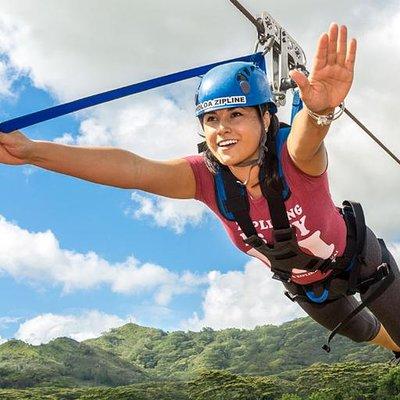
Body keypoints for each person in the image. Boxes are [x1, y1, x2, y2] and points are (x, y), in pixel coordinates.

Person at [0, 23, 399, 358]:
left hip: (362, 262)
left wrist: (318, 111)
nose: (222, 128)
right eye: (211, 119)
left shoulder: (294, 156)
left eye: (236, 114)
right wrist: (33, 151)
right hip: (307, 284)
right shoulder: (206, 179)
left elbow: (308, 136)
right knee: (362, 332)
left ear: (266, 116)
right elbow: (133, 169)